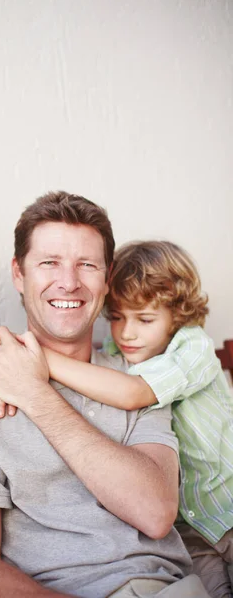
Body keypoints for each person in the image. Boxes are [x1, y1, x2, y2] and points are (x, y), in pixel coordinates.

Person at [0, 191, 209, 598]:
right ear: (19, 273)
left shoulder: (139, 382)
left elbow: (156, 513)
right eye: (49, 262)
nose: (68, 282)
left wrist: (35, 394)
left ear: (107, 279)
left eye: (86, 265)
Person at [40, 240, 233, 598]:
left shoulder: (193, 347)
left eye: (144, 319)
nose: (127, 332)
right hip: (188, 529)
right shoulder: (118, 354)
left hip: (226, 508)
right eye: (116, 317)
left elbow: (133, 393)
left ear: (178, 314)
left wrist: (41, 362)